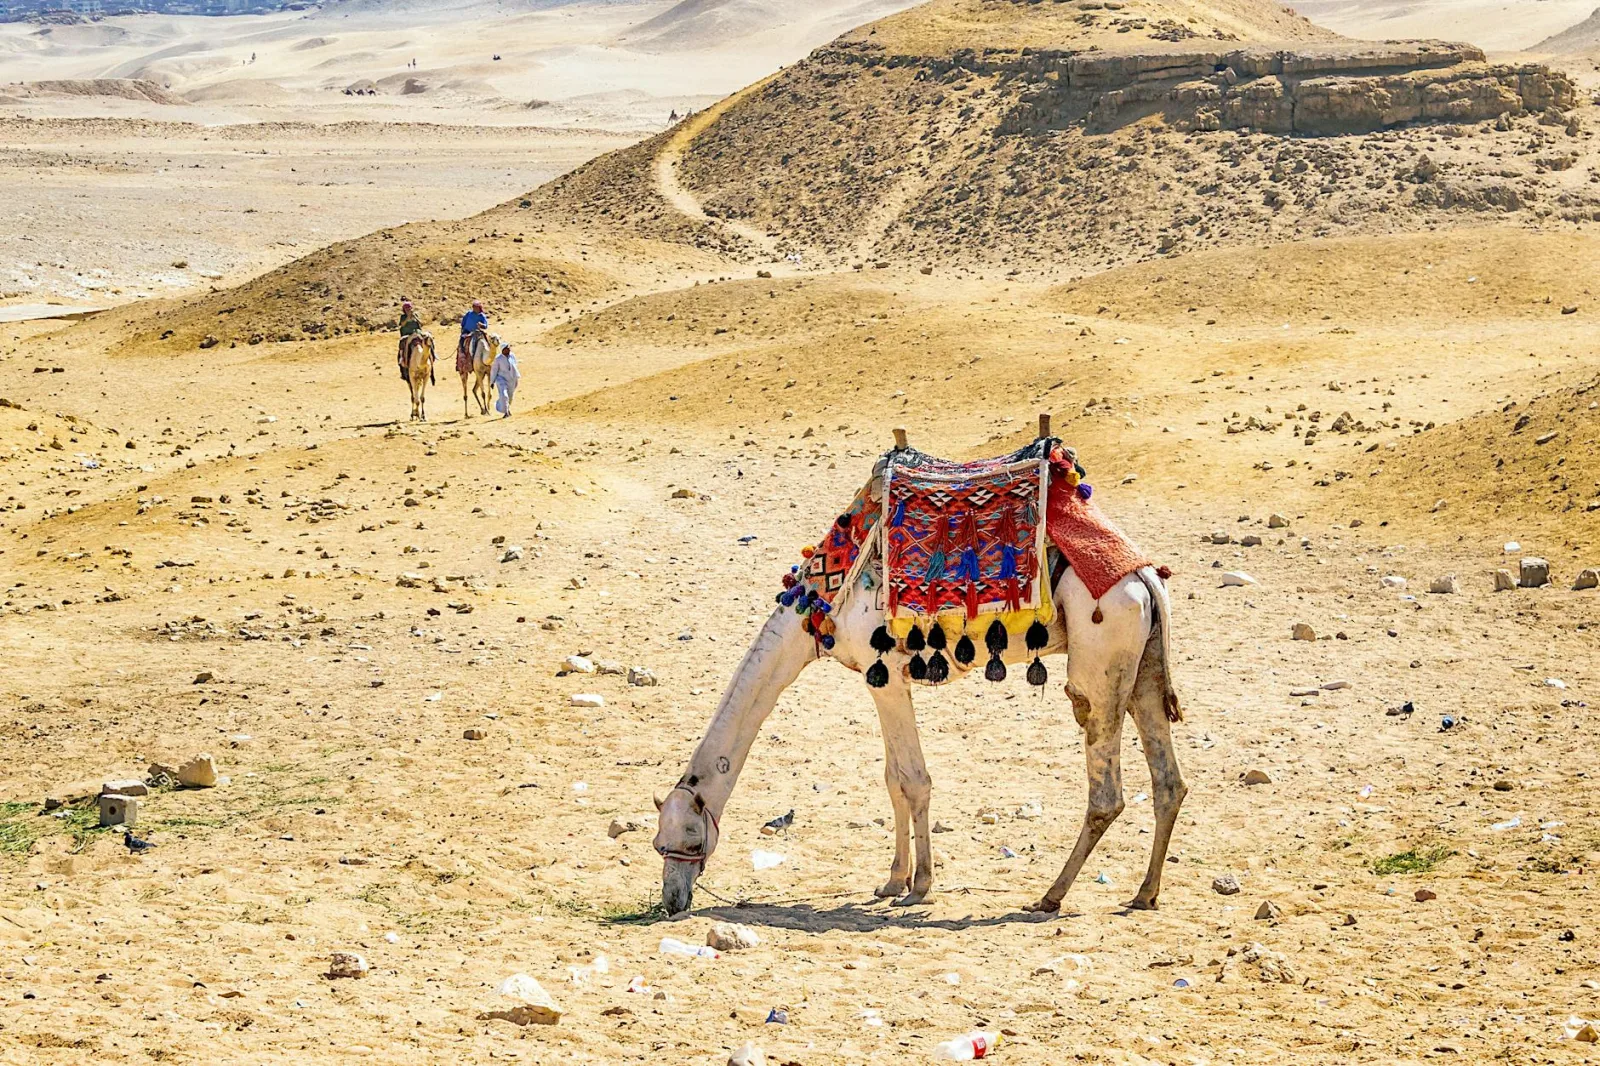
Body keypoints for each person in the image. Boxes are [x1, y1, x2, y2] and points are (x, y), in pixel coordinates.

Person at [457, 299, 488, 374]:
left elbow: (485, 326)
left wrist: (481, 325)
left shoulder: (482, 316)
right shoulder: (469, 314)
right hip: (467, 331)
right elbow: (463, 322)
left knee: (487, 341)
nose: (474, 308)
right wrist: (463, 329)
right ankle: (463, 353)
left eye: (476, 307)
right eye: (473, 307)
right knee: (462, 340)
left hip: (477, 332)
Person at [490, 343, 520, 418]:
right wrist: (492, 382)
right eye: (507, 349)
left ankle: (507, 409)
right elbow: (494, 370)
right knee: (504, 395)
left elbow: (515, 366)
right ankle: (506, 412)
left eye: (509, 348)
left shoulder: (512, 356)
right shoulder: (498, 359)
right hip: (501, 379)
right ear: (503, 350)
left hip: (512, 379)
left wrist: (516, 377)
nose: (509, 350)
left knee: (510, 397)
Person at [397, 300, 421, 379]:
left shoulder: (415, 315)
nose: (408, 310)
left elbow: (421, 324)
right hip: (406, 334)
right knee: (402, 344)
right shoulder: (403, 317)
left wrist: (415, 317)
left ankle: (432, 356)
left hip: (416, 333)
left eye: (409, 309)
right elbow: (402, 324)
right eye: (407, 309)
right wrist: (408, 317)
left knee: (428, 340)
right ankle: (402, 358)